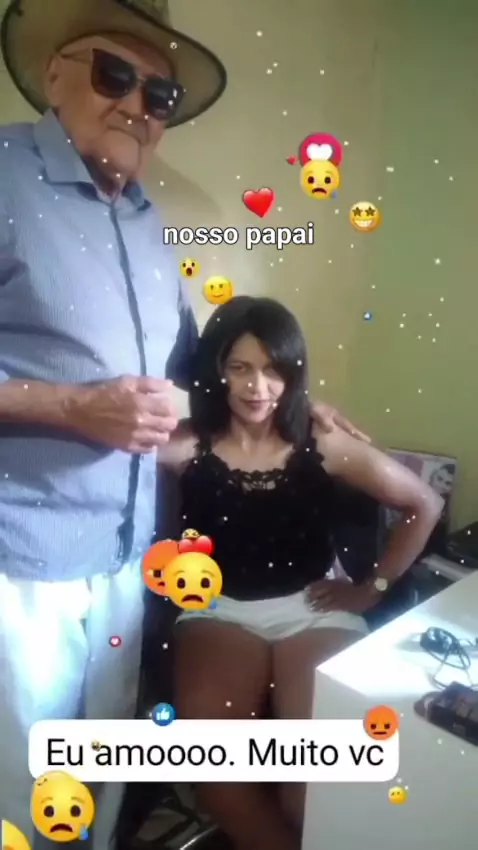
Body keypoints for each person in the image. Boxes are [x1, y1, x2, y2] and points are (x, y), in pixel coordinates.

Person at [0, 2, 368, 847]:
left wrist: (294, 406)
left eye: (159, 94)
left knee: (99, 771)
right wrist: (67, 405)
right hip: (22, 557)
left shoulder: (143, 220)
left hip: (127, 555)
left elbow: (194, 372)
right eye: (114, 74)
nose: (138, 104)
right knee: (25, 784)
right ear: (54, 74)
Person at [156, 296, 444, 850]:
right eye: (240, 367)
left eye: (274, 370)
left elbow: (424, 504)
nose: (257, 386)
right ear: (217, 370)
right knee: (216, 773)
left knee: (314, 786)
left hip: (311, 609)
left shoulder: (324, 442)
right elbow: (108, 453)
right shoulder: (187, 444)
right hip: (219, 609)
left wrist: (372, 589)